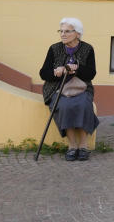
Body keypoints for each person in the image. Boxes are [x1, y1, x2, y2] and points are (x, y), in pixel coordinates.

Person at [39, 17, 99, 161]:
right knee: (64, 106)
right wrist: (56, 71)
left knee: (84, 104)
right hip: (57, 88)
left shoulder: (87, 49)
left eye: (67, 31)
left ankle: (83, 146)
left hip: (81, 88)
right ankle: (72, 146)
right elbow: (43, 73)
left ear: (77, 34)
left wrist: (77, 69)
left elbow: (91, 73)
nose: (63, 34)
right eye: (61, 31)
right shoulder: (54, 48)